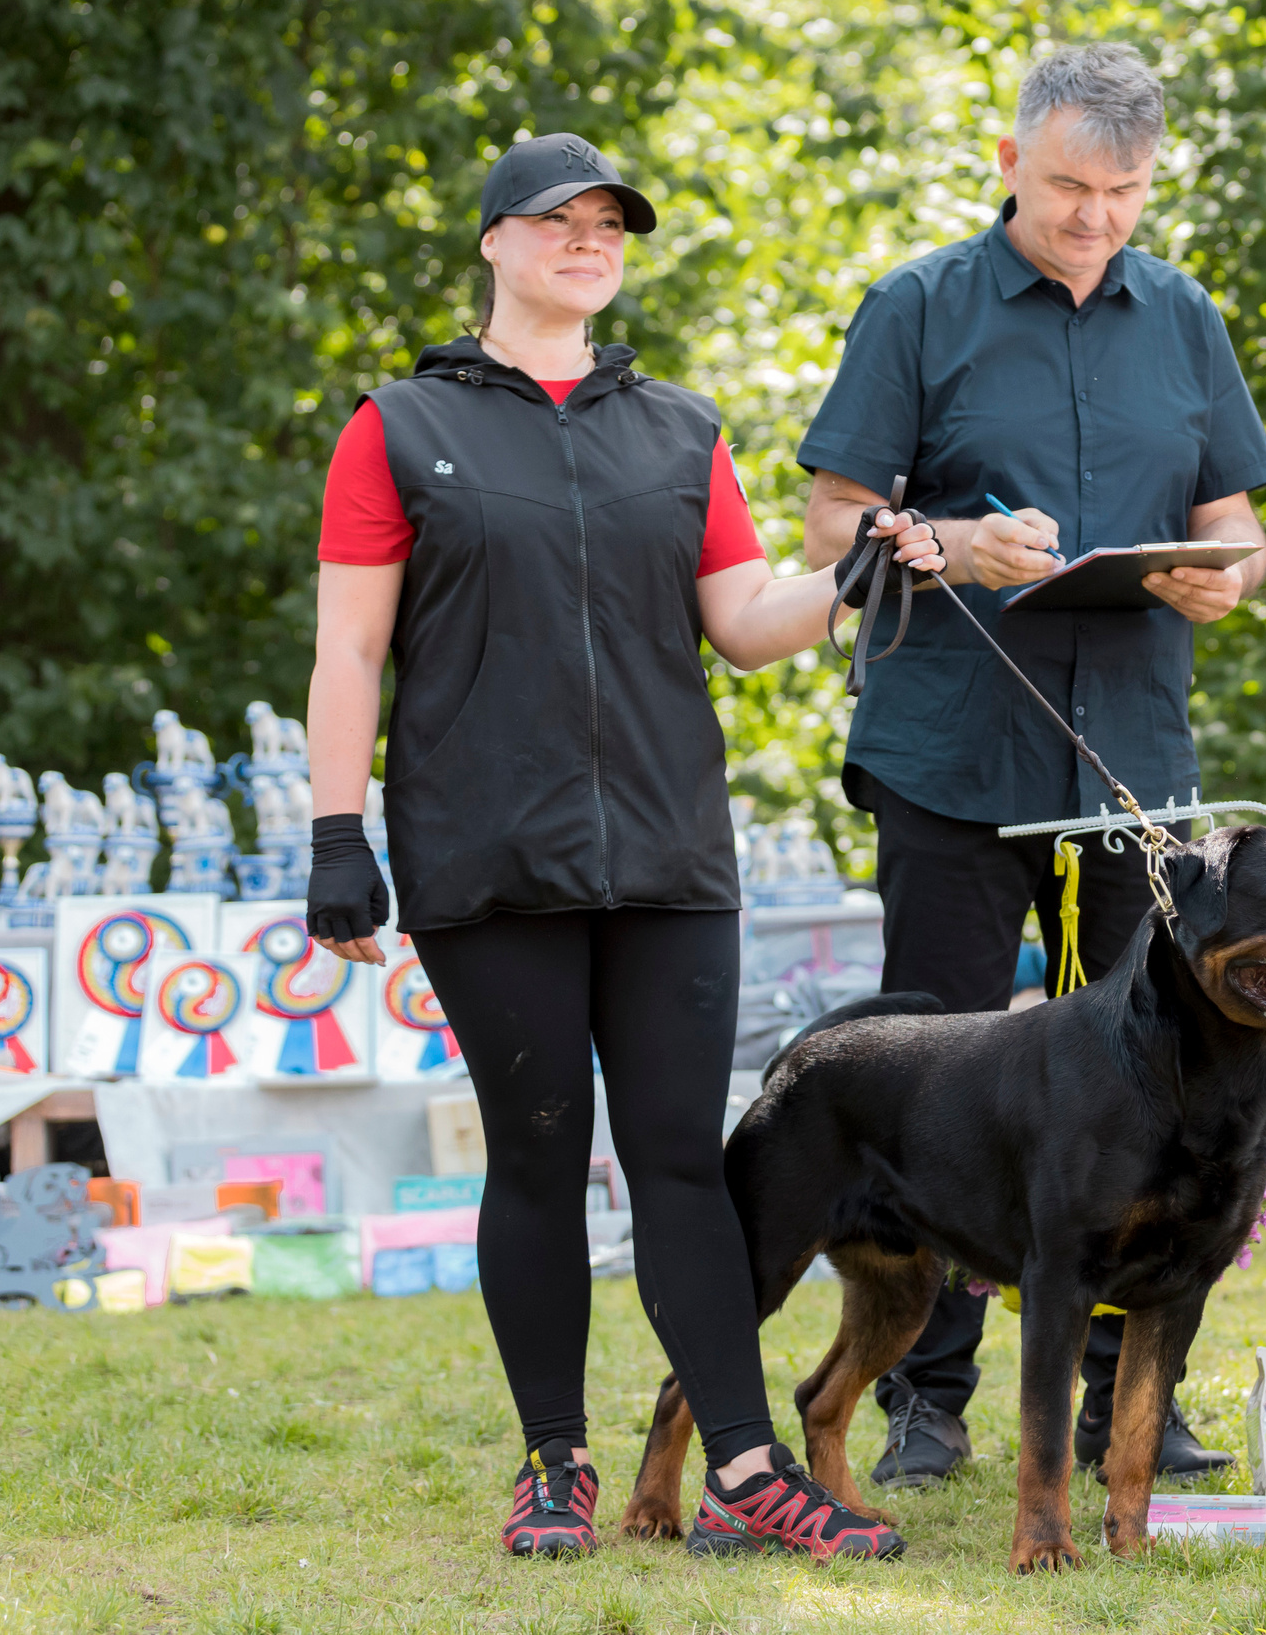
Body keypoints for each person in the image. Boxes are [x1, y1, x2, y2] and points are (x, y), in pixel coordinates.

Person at [302, 132, 945, 1560]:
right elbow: (349, 648)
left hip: (666, 854)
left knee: (678, 1156)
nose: (587, 241)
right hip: (486, 852)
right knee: (535, 1156)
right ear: (495, 243)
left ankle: (746, 1468)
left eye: (610, 225)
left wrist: (847, 577)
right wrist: (337, 831)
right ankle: (553, 1468)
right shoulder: (398, 425)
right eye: (557, 220)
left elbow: (741, 623)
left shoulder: (680, 430)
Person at [793, 44, 1266, 1490]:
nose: (1094, 219)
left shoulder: (1183, 316)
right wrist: (944, 546)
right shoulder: (918, 308)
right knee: (940, 1083)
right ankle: (924, 1401)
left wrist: (1226, 578)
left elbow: (1236, 522)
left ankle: (1132, 1402)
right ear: (1011, 161)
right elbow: (830, 532)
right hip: (950, 761)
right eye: (1070, 186)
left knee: (1154, 1095)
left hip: (1130, 769)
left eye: (1123, 193)